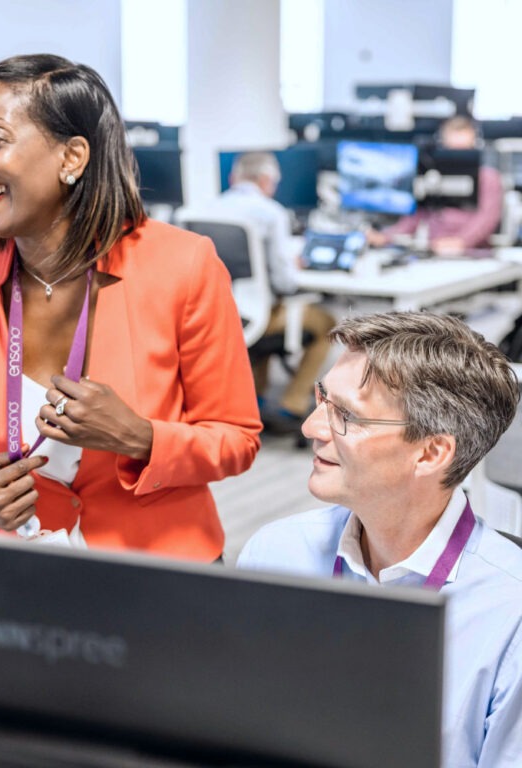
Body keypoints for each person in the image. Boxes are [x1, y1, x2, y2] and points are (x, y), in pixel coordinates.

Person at [0, 54, 262, 560]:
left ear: (72, 157)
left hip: (160, 566)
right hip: (19, 563)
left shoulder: (184, 264)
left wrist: (141, 437)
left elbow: (236, 438)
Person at [238, 311, 522, 766]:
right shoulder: (275, 553)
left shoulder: (509, 616)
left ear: (430, 453)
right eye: (322, 399)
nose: (311, 427)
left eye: (346, 416)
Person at [211, 151, 335, 434]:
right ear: (267, 181)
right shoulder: (271, 213)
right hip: (258, 317)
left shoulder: (204, 208)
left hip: (217, 316)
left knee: (266, 311)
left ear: (234, 178)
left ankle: (253, 400)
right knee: (327, 322)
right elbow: (287, 283)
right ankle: (291, 404)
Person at [366, 116, 503, 255]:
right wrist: (387, 236)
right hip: (435, 251)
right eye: (452, 150)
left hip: (474, 254)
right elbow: (417, 215)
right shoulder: (432, 176)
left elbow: (488, 217)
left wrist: (461, 242)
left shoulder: (488, 177)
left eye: (463, 151)